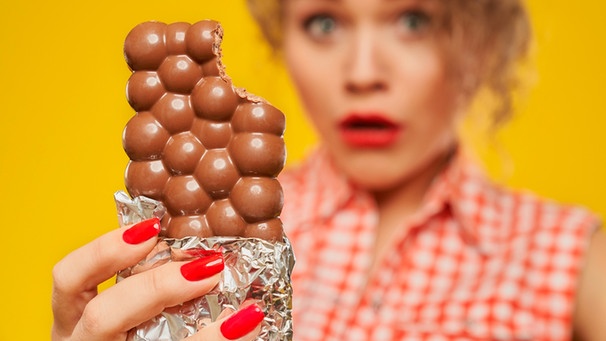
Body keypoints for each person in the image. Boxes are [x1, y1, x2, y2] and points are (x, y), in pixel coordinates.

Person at [52, 0, 606, 340]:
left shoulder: (577, 266)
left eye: (412, 20)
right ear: (283, 38)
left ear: (480, 42)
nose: (363, 72)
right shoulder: (193, 241)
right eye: (323, 22)